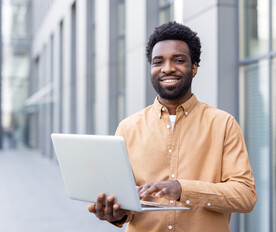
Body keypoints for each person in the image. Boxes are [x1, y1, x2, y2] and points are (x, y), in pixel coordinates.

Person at [88, 21, 257, 232]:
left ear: (194, 68)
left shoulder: (223, 124)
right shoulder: (127, 128)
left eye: (178, 60)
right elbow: (125, 201)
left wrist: (182, 189)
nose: (167, 68)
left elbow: (245, 196)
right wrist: (115, 214)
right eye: (158, 62)